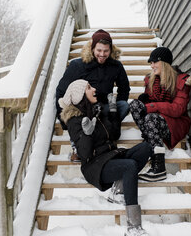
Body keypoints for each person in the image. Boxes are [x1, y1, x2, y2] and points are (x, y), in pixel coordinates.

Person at [59, 79, 151, 236]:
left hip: (111, 157)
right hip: (95, 167)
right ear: (80, 95)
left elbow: (114, 134)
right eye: (89, 88)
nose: (94, 89)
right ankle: (134, 227)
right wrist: (87, 134)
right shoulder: (74, 121)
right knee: (129, 166)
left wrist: (113, 110)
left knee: (146, 147)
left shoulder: (97, 111)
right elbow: (85, 154)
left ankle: (118, 190)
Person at [56, 29, 131, 161]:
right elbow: (61, 91)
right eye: (99, 50)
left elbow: (124, 88)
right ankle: (78, 146)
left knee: (124, 106)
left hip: (105, 108)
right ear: (92, 48)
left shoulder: (116, 66)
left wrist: (113, 107)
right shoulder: (78, 65)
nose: (102, 54)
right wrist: (65, 120)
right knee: (79, 116)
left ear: (111, 50)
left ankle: (106, 134)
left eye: (106, 51)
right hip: (85, 109)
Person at [129, 47, 191, 182]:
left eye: (155, 62)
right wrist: (145, 99)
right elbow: (150, 101)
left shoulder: (181, 81)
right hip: (155, 122)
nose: (152, 66)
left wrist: (153, 106)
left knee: (150, 117)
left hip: (175, 124)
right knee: (134, 105)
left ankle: (159, 168)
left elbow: (178, 109)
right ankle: (151, 140)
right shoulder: (151, 80)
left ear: (164, 63)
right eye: (151, 63)